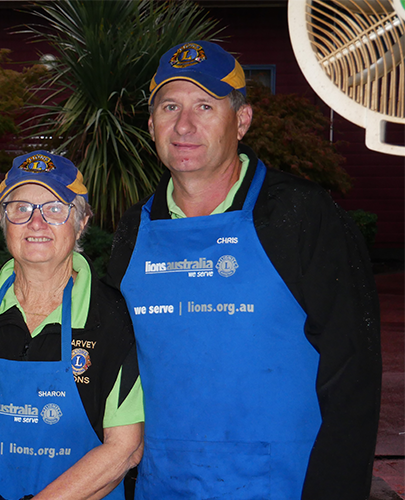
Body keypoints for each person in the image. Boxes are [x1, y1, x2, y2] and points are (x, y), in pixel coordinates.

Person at [106, 41, 381, 499]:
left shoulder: (302, 215)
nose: (184, 125)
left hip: (284, 484)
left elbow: (353, 375)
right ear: (152, 123)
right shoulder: (135, 229)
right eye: (170, 106)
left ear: (243, 120)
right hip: (163, 483)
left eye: (205, 106)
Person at [0, 151, 144, 500]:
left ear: (81, 222)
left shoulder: (115, 320)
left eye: (55, 208)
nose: (36, 222)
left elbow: (125, 448)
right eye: (20, 208)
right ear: (3, 221)